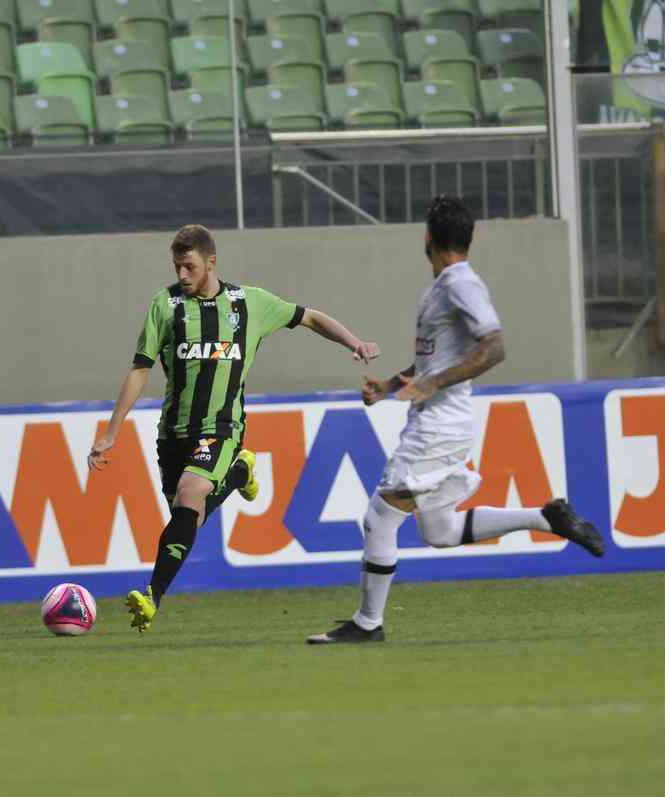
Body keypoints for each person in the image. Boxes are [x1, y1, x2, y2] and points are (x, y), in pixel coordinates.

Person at [306, 196, 606, 645]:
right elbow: (432, 360)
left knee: (380, 518)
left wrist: (432, 384)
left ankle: (368, 623)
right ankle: (547, 517)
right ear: (468, 237)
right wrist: (389, 387)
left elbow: (495, 347)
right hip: (439, 420)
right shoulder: (443, 286)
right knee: (440, 531)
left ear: (428, 237)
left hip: (439, 425)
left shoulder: (461, 285)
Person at [88, 224, 380, 634]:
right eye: (176, 267)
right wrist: (112, 431)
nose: (182, 276)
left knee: (191, 494)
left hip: (221, 428)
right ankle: (240, 472)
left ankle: (152, 596)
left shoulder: (250, 304)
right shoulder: (166, 305)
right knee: (188, 511)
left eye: (189, 267)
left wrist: (355, 342)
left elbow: (309, 317)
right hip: (173, 431)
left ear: (211, 262)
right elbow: (140, 369)